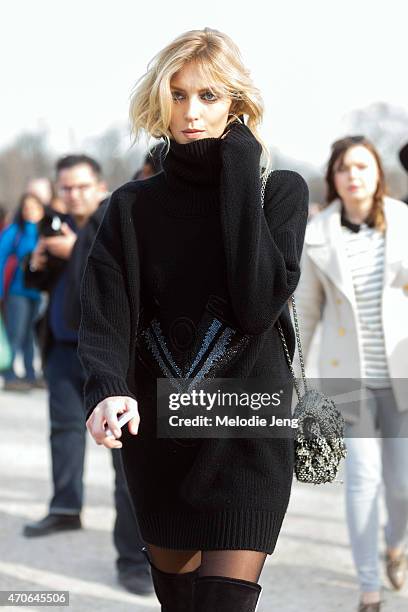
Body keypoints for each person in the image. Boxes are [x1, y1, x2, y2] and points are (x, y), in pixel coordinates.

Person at [78, 28, 309, 612]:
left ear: (237, 103)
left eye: (208, 96)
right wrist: (108, 390)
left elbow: (257, 304)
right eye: (177, 95)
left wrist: (237, 166)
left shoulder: (278, 192)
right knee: (179, 603)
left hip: (248, 430)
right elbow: (105, 314)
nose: (191, 112)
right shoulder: (130, 208)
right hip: (161, 435)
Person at [22, 154, 153, 596]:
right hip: (61, 347)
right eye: (66, 188)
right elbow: (46, 283)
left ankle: (134, 558)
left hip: (109, 356)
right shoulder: (54, 224)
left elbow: (108, 281)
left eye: (81, 186)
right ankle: (64, 506)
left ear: (99, 185)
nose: (72, 195)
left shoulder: (118, 213)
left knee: (125, 458)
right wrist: (40, 262)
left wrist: (74, 245)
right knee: (63, 431)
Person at [294, 135, 408, 612]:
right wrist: (295, 377)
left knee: (402, 485)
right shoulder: (317, 234)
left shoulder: (404, 221)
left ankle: (394, 546)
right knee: (362, 481)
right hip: (346, 378)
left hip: (402, 372)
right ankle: (368, 587)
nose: (353, 175)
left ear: (378, 172)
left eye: (362, 166)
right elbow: (306, 309)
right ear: (333, 177)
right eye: (343, 168)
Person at [0, 193, 44, 391]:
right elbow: (1, 258)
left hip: (38, 293)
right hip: (17, 292)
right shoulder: (15, 231)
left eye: (34, 207)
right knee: (15, 333)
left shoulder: (45, 230)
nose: (30, 212)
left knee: (30, 335)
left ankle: (30, 374)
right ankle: (8, 375)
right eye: (27, 208)